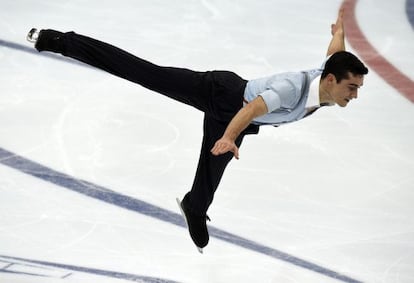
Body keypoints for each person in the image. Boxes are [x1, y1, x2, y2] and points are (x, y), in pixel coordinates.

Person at [26, 8, 368, 252]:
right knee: (143, 72)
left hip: (236, 116)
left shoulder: (326, 83)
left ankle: (194, 206)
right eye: (351, 88)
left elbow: (334, 55)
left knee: (211, 175)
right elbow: (250, 109)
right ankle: (58, 41)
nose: (354, 95)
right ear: (330, 81)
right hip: (222, 94)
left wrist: (338, 34)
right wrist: (229, 137)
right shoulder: (293, 88)